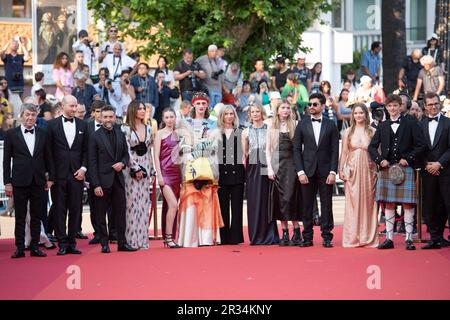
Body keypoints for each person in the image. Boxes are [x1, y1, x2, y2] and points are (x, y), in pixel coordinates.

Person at [368, 94, 426, 250]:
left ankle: (408, 238)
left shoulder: (411, 123)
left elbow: (421, 145)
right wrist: (380, 160)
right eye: (389, 106)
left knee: (408, 204)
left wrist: (408, 158)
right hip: (387, 169)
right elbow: (371, 147)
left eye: (395, 106)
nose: (392, 109)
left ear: (400, 106)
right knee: (388, 204)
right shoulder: (382, 126)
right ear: (386, 108)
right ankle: (389, 239)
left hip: (405, 168)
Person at [3, 103, 54, 258]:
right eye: (27, 114)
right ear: (21, 115)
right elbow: (6, 161)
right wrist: (7, 182)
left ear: (36, 117)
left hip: (38, 180)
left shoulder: (43, 133)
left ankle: (35, 247)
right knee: (20, 215)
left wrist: (51, 178)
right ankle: (19, 248)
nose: (30, 118)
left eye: (33, 115)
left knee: (36, 215)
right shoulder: (11, 134)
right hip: (19, 181)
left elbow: (49, 157)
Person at [88, 105, 137, 253]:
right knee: (101, 214)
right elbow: (92, 162)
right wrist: (95, 184)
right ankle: (104, 243)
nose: (108, 119)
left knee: (120, 212)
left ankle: (122, 243)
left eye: (111, 117)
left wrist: (122, 163)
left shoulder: (120, 133)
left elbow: (126, 154)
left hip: (118, 180)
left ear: (115, 117)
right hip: (102, 182)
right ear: (101, 118)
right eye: (106, 117)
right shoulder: (94, 136)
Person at [294, 93, 340, 248]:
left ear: (322, 106)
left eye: (314, 104)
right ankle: (307, 237)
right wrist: (300, 171)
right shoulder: (302, 124)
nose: (311, 107)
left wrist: (333, 171)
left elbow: (335, 150)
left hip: (326, 171)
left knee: (327, 204)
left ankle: (327, 237)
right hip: (307, 171)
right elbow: (296, 150)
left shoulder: (331, 124)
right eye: (310, 104)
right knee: (306, 205)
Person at [177, 92, 223, 247]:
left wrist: (200, 150)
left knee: (206, 198)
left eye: (204, 103)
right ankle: (190, 238)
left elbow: (215, 144)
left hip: (207, 164)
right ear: (193, 105)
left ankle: (206, 238)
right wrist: (191, 152)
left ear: (207, 105)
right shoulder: (186, 122)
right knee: (191, 198)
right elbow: (182, 143)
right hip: (191, 164)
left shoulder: (213, 123)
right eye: (198, 104)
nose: (201, 106)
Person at [47, 95, 88, 256]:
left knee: (75, 209)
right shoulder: (51, 126)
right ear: (62, 106)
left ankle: (72, 242)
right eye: (71, 106)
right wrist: (50, 174)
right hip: (58, 175)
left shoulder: (83, 125)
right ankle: (62, 243)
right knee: (59, 209)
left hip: (77, 174)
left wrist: (84, 168)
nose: (74, 109)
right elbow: (48, 152)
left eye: (75, 106)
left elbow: (86, 149)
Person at [339, 103, 379, 248]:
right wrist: (340, 169)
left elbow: (377, 153)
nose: (358, 116)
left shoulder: (373, 131)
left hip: (369, 170)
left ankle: (368, 237)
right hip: (352, 170)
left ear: (366, 114)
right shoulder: (348, 132)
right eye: (356, 113)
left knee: (369, 203)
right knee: (353, 203)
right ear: (353, 115)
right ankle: (353, 237)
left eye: (361, 113)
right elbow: (344, 152)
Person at [242, 103, 279, 245]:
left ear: (262, 112)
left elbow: (274, 149)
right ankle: (256, 235)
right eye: (253, 112)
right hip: (252, 166)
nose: (255, 114)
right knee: (253, 200)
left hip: (266, 163)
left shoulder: (269, 128)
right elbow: (244, 152)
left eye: (258, 111)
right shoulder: (245, 131)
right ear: (250, 114)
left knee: (266, 199)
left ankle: (269, 235)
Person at [266, 101, 302, 246]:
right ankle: (285, 233)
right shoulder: (271, 126)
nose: (286, 110)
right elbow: (267, 150)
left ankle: (297, 231)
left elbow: (300, 148)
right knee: (280, 200)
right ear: (278, 110)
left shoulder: (296, 124)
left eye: (288, 108)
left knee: (292, 198)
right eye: (283, 108)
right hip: (277, 166)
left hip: (293, 167)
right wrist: (269, 168)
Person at [419, 93, 450, 249]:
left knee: (446, 204)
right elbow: (418, 148)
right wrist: (427, 165)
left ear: (440, 104)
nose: (433, 106)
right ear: (425, 106)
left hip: (446, 171)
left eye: (436, 103)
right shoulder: (421, 125)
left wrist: (438, 164)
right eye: (430, 104)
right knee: (430, 205)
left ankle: (444, 237)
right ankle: (435, 238)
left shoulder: (448, 123)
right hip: (428, 171)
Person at [122, 100, 155, 250]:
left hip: (146, 169)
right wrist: (136, 168)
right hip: (131, 170)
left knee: (144, 205)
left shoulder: (149, 128)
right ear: (133, 110)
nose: (143, 111)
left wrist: (152, 170)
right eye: (140, 108)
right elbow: (126, 151)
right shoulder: (125, 129)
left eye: (144, 109)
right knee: (132, 205)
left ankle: (143, 241)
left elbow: (149, 151)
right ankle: (131, 241)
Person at [215, 105, 245, 245]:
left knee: (237, 208)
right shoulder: (215, 133)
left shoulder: (241, 132)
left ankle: (236, 238)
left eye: (231, 114)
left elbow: (245, 153)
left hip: (238, 173)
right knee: (223, 207)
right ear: (222, 116)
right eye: (226, 114)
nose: (229, 116)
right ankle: (224, 237)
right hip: (221, 174)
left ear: (235, 116)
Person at [153, 108, 182, 248]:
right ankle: (169, 238)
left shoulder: (178, 134)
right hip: (165, 174)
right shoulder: (159, 134)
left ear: (176, 118)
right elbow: (156, 157)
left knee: (170, 206)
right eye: (167, 117)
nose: (170, 119)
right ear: (163, 119)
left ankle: (169, 238)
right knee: (173, 205)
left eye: (172, 117)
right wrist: (159, 175)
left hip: (177, 174)